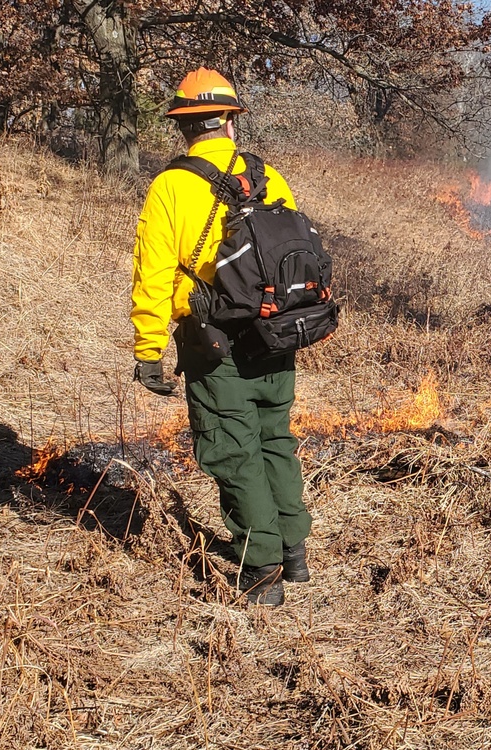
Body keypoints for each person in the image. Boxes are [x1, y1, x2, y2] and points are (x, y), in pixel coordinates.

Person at [131, 68, 311, 606]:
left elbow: (153, 274)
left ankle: (260, 571)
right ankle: (294, 549)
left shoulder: (170, 186)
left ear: (183, 127)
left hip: (215, 341)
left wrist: (148, 350)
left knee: (232, 450)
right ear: (230, 122)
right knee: (275, 437)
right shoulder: (269, 176)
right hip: (276, 331)